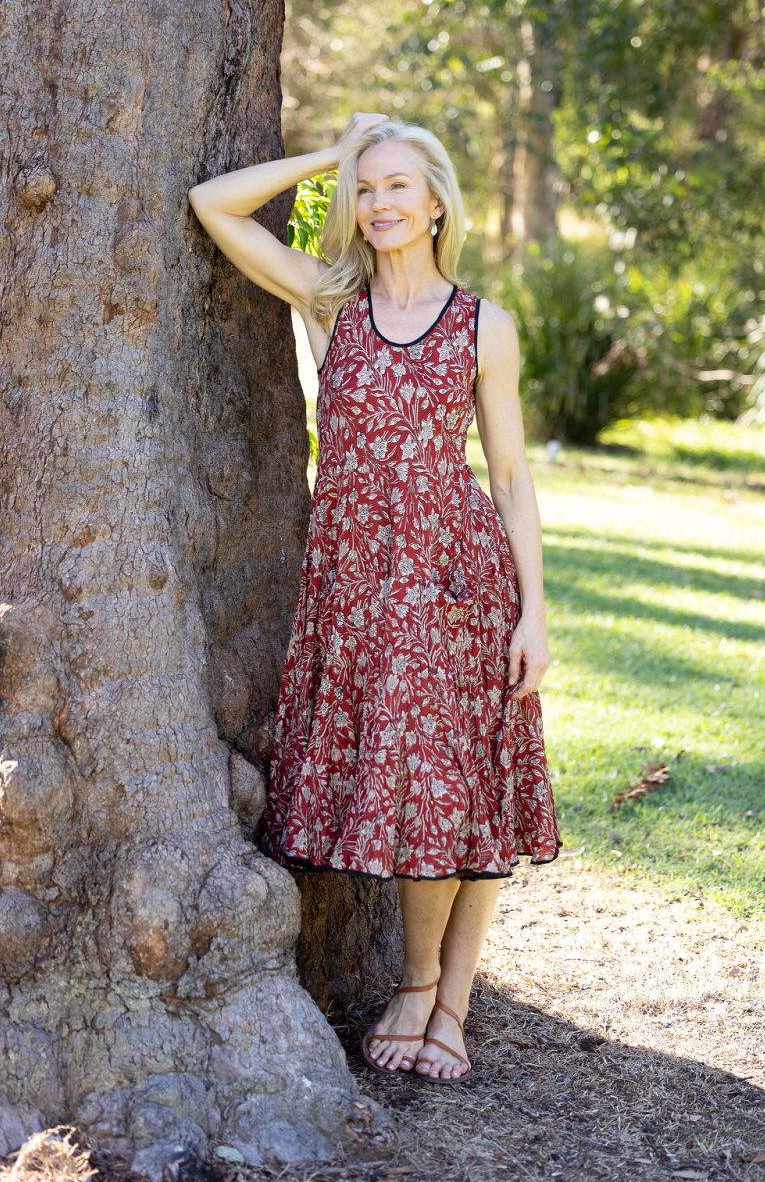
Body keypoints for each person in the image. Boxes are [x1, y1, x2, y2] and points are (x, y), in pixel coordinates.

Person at [187, 112, 563, 1084]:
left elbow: (512, 478)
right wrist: (332, 153)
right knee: (424, 788)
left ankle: (431, 996)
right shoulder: (331, 300)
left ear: (437, 202)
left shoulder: (485, 325)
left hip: (455, 577)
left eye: (399, 185)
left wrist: (534, 610)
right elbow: (211, 206)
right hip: (357, 584)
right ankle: (439, 1003)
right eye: (366, 187)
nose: (380, 203)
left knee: (455, 786)